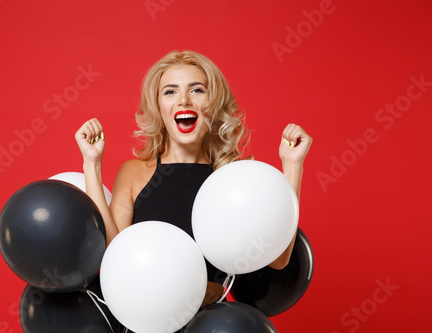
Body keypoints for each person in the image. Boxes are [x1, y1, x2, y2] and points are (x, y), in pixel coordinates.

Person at [75, 50, 312, 306]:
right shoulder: (134, 172)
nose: (184, 100)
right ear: (158, 107)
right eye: (170, 92)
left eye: (197, 90)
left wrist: (292, 164)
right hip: (145, 320)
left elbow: (278, 259)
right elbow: (113, 255)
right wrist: (92, 162)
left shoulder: (235, 179)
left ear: (213, 104)